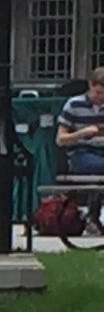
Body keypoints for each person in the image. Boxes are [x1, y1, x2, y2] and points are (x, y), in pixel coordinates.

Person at [56, 66, 104, 232]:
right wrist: (82, 133)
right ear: (91, 86)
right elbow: (60, 139)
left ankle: (94, 215)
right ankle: (93, 215)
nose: (101, 98)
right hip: (80, 153)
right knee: (98, 167)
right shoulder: (74, 105)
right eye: (98, 93)